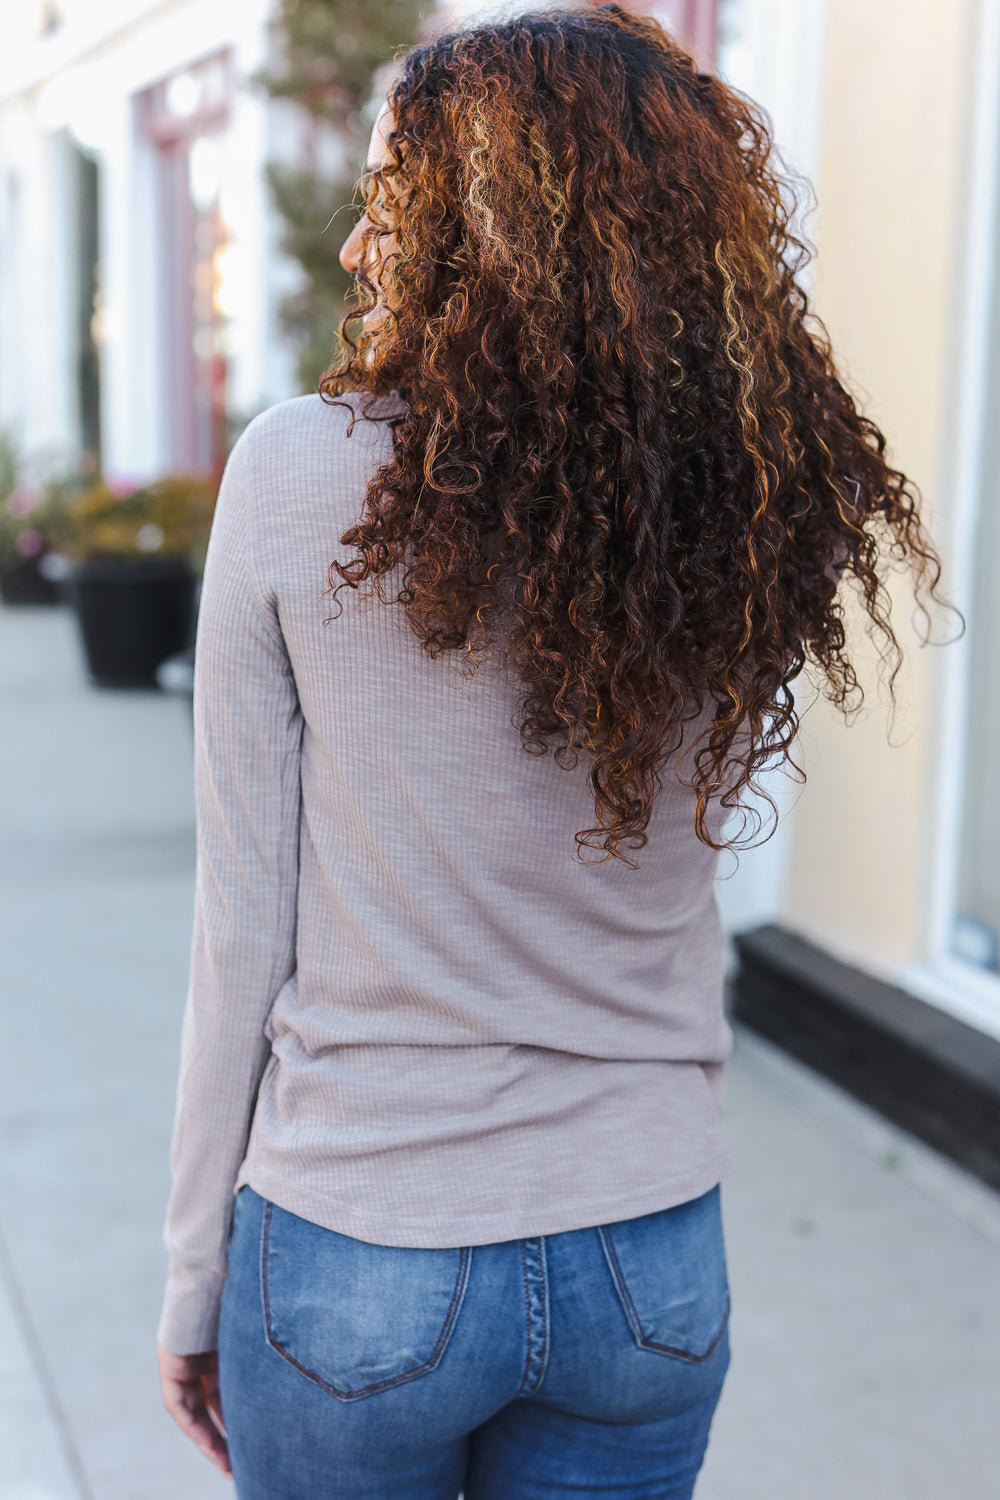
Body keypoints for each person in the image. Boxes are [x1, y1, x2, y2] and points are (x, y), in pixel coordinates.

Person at [156, 6, 948, 1497]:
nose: (351, 252)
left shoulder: (295, 475)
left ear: (470, 227)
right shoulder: (728, 505)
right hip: (646, 1257)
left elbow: (240, 927)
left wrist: (194, 1272)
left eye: (388, 198)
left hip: (357, 1250)